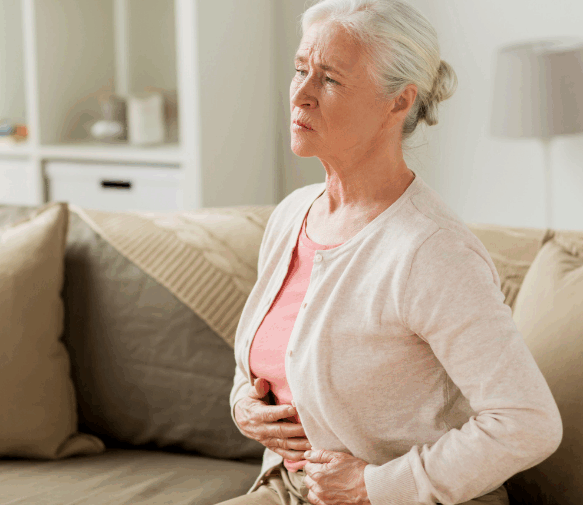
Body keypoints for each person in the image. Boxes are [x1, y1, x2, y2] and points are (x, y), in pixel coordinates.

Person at [222, 1, 563, 504]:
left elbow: (528, 422)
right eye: (300, 70)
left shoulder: (430, 251)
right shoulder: (292, 216)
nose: (302, 94)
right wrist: (243, 407)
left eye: (331, 79)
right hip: (291, 489)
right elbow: (262, 365)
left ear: (399, 102)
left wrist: (373, 485)